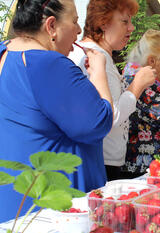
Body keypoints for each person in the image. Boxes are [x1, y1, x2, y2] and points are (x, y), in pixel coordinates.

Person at [0, 0, 114, 222]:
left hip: (15, 200)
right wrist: (100, 72)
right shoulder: (47, 64)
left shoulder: (5, 52)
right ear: (51, 26)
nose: (79, 30)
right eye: (74, 21)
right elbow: (97, 122)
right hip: (51, 209)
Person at [68, 0, 156, 181]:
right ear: (103, 22)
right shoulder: (96, 58)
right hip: (101, 161)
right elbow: (110, 115)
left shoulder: (99, 55)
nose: (131, 28)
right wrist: (136, 86)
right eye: (125, 21)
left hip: (105, 158)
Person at [121, 29, 160, 177]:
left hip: (145, 165)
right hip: (143, 168)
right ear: (151, 61)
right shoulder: (144, 84)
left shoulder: (136, 76)